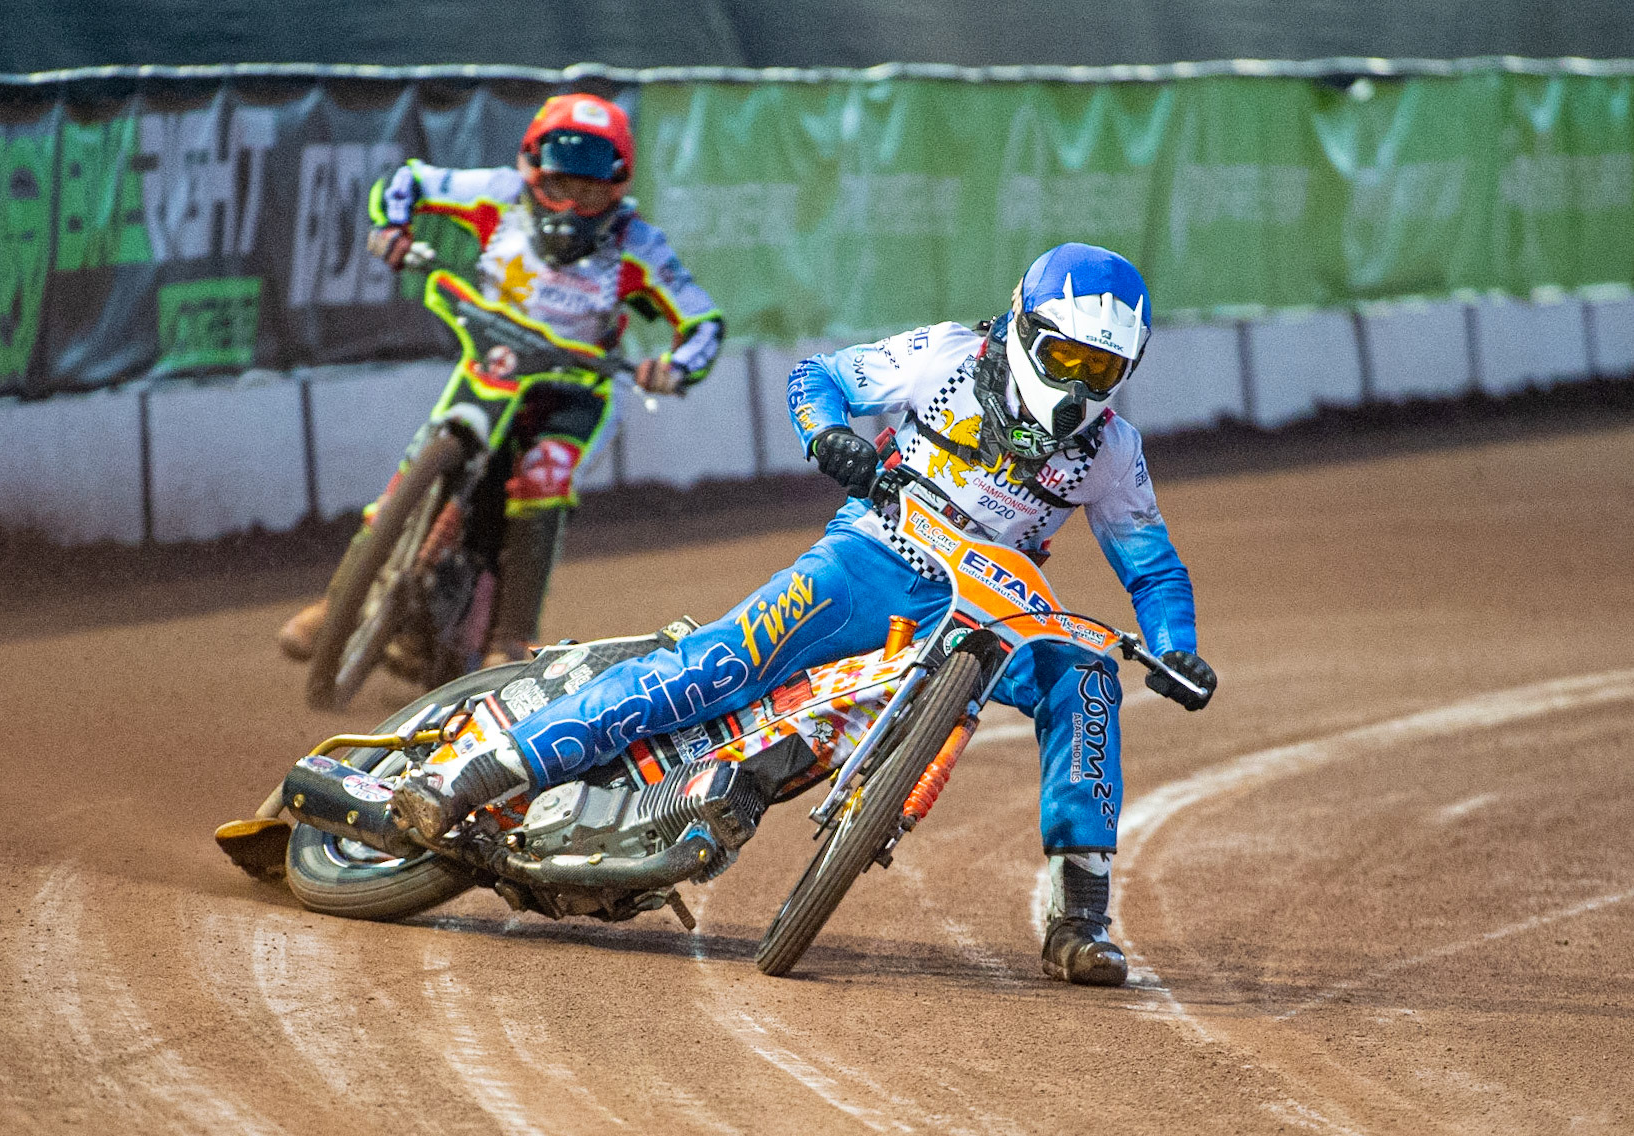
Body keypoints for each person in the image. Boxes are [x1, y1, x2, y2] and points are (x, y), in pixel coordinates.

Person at [391, 242, 1216, 986]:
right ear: (1022, 329)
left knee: (1088, 681)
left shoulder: (1112, 452)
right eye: (1063, 355)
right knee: (712, 669)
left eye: (1100, 371)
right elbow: (815, 378)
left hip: (994, 612)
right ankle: (473, 773)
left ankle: (1079, 920)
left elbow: (1151, 566)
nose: (1076, 385)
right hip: (869, 560)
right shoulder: (945, 357)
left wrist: (1178, 646)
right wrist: (829, 438)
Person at [279, 92, 723, 668]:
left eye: (587, 190)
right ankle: (340, 602)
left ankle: (508, 641)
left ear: (616, 185)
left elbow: (702, 321)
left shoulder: (639, 244)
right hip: (491, 369)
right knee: (417, 463)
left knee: (544, 476)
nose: (568, 203)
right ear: (531, 166)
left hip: (573, 395)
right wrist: (391, 229)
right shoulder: (495, 192)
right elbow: (407, 181)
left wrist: (675, 367)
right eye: (559, 183)